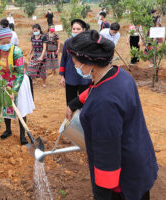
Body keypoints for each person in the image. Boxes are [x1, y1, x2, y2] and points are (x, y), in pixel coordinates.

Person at [66, 30, 158, 200]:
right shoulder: (119, 74)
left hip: (124, 179)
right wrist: (76, 102)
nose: (74, 66)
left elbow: (107, 155)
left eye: (75, 63)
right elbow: (98, 88)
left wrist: (101, 194)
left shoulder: (103, 105)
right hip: (140, 158)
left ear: (89, 64)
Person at [0, 27, 35, 145]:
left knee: (21, 108)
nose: (6, 45)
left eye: (8, 42)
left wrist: (13, 91)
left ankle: (23, 136)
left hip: (18, 81)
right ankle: (8, 130)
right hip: (3, 81)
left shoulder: (16, 51)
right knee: (6, 106)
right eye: (3, 43)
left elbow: (20, 73)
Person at [59, 19, 90, 105]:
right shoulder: (67, 43)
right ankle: (71, 117)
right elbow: (64, 59)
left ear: (84, 30)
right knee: (70, 101)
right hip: (70, 76)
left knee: (85, 101)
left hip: (85, 78)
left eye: (78, 29)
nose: (75, 31)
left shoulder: (89, 43)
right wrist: (62, 76)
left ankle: (83, 117)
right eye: (73, 29)